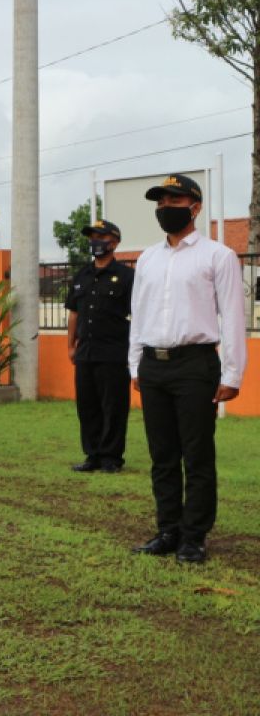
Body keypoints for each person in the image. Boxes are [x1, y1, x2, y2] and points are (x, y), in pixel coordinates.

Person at [128, 174, 247, 564]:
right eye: (160, 202)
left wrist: (232, 374)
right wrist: (135, 364)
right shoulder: (148, 258)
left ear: (195, 207)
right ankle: (168, 529)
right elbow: (139, 314)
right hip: (154, 365)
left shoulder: (218, 255)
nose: (165, 208)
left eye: (174, 201)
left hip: (195, 365)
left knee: (196, 454)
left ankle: (194, 536)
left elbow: (231, 317)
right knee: (162, 454)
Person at [65, 220, 133, 473]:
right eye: (92, 237)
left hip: (114, 353)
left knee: (113, 407)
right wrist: (70, 347)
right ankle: (92, 455)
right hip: (85, 353)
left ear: (114, 242)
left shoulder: (127, 276)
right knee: (87, 406)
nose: (95, 242)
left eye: (100, 237)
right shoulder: (82, 275)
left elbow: (138, 314)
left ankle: (111, 458)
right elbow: (73, 314)